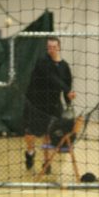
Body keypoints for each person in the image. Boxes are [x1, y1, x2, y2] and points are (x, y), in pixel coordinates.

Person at [23, 36, 76, 172]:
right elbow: (52, 78)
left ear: (59, 47)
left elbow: (67, 83)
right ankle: (30, 153)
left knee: (48, 133)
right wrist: (67, 89)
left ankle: (46, 163)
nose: (51, 49)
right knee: (30, 134)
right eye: (49, 47)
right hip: (35, 103)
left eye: (54, 47)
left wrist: (68, 99)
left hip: (52, 104)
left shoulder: (64, 66)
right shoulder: (42, 62)